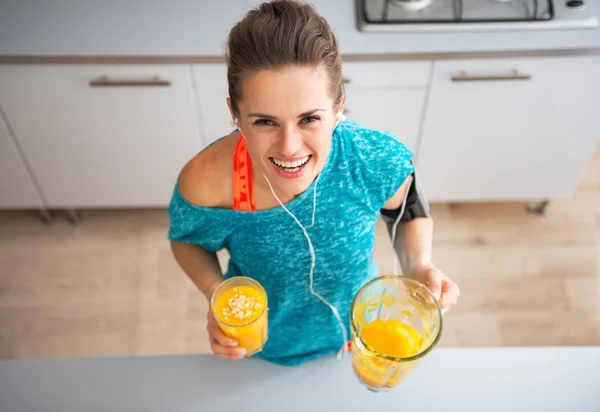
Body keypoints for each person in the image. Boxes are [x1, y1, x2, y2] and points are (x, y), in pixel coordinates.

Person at [168, 0, 460, 367]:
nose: (289, 148)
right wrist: (218, 295)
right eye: (264, 122)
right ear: (234, 114)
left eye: (309, 119)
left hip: (364, 332)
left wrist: (418, 264)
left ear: (339, 105)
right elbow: (187, 240)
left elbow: (406, 205)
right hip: (263, 349)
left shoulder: (370, 157)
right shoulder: (207, 180)